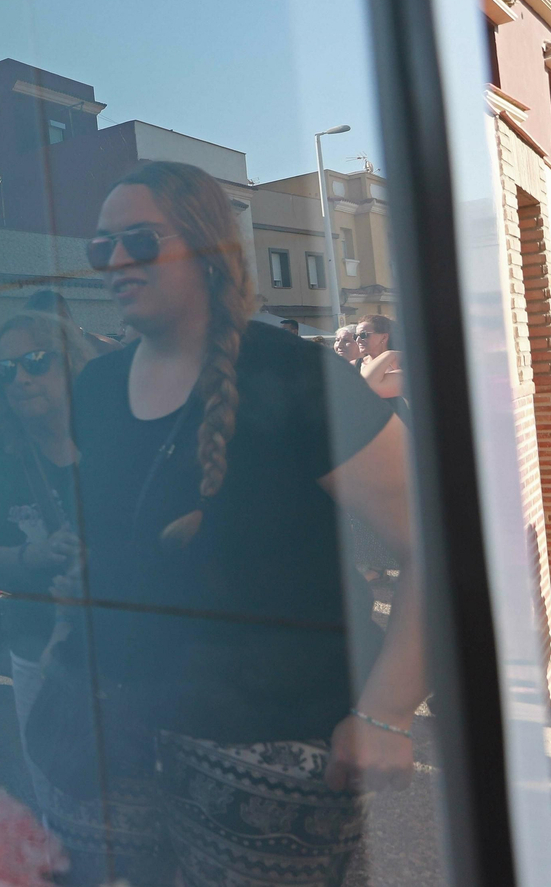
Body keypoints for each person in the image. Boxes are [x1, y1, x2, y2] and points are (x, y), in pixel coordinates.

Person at [33, 160, 422, 885]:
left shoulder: (293, 376)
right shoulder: (95, 385)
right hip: (106, 743)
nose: (115, 261)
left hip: (267, 754)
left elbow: (438, 547)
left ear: (207, 246)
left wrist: (388, 712)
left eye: (141, 241)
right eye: (100, 247)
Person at [0, 310, 97, 815]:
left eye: (36, 362)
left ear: (70, 366)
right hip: (36, 647)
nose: (20, 377)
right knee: (56, 790)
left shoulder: (106, 435)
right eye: (6, 369)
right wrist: (33, 555)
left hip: (120, 643)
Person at [25, 288, 123, 354]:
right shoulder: (45, 356)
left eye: (43, 327)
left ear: (63, 317)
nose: (39, 335)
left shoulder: (108, 349)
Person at [358, 314, 408, 423]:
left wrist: (389, 355)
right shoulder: (354, 365)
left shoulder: (401, 366)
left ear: (384, 337)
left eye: (363, 335)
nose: (357, 340)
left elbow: (369, 385)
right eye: (355, 336)